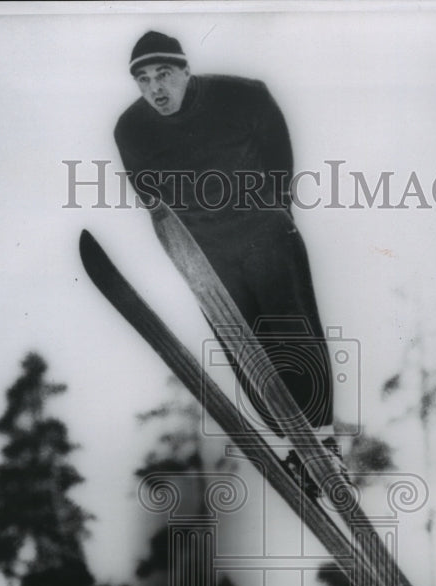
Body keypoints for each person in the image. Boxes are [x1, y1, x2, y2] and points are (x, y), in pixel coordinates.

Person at [114, 30, 342, 482]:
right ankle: (291, 443)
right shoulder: (131, 129)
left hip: (263, 232)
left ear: (184, 70)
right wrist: (186, 256)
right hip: (207, 253)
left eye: (164, 74)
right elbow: (152, 202)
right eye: (143, 80)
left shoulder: (244, 97)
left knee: (291, 328)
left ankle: (323, 439)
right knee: (245, 346)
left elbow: (280, 158)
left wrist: (276, 213)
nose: (156, 88)